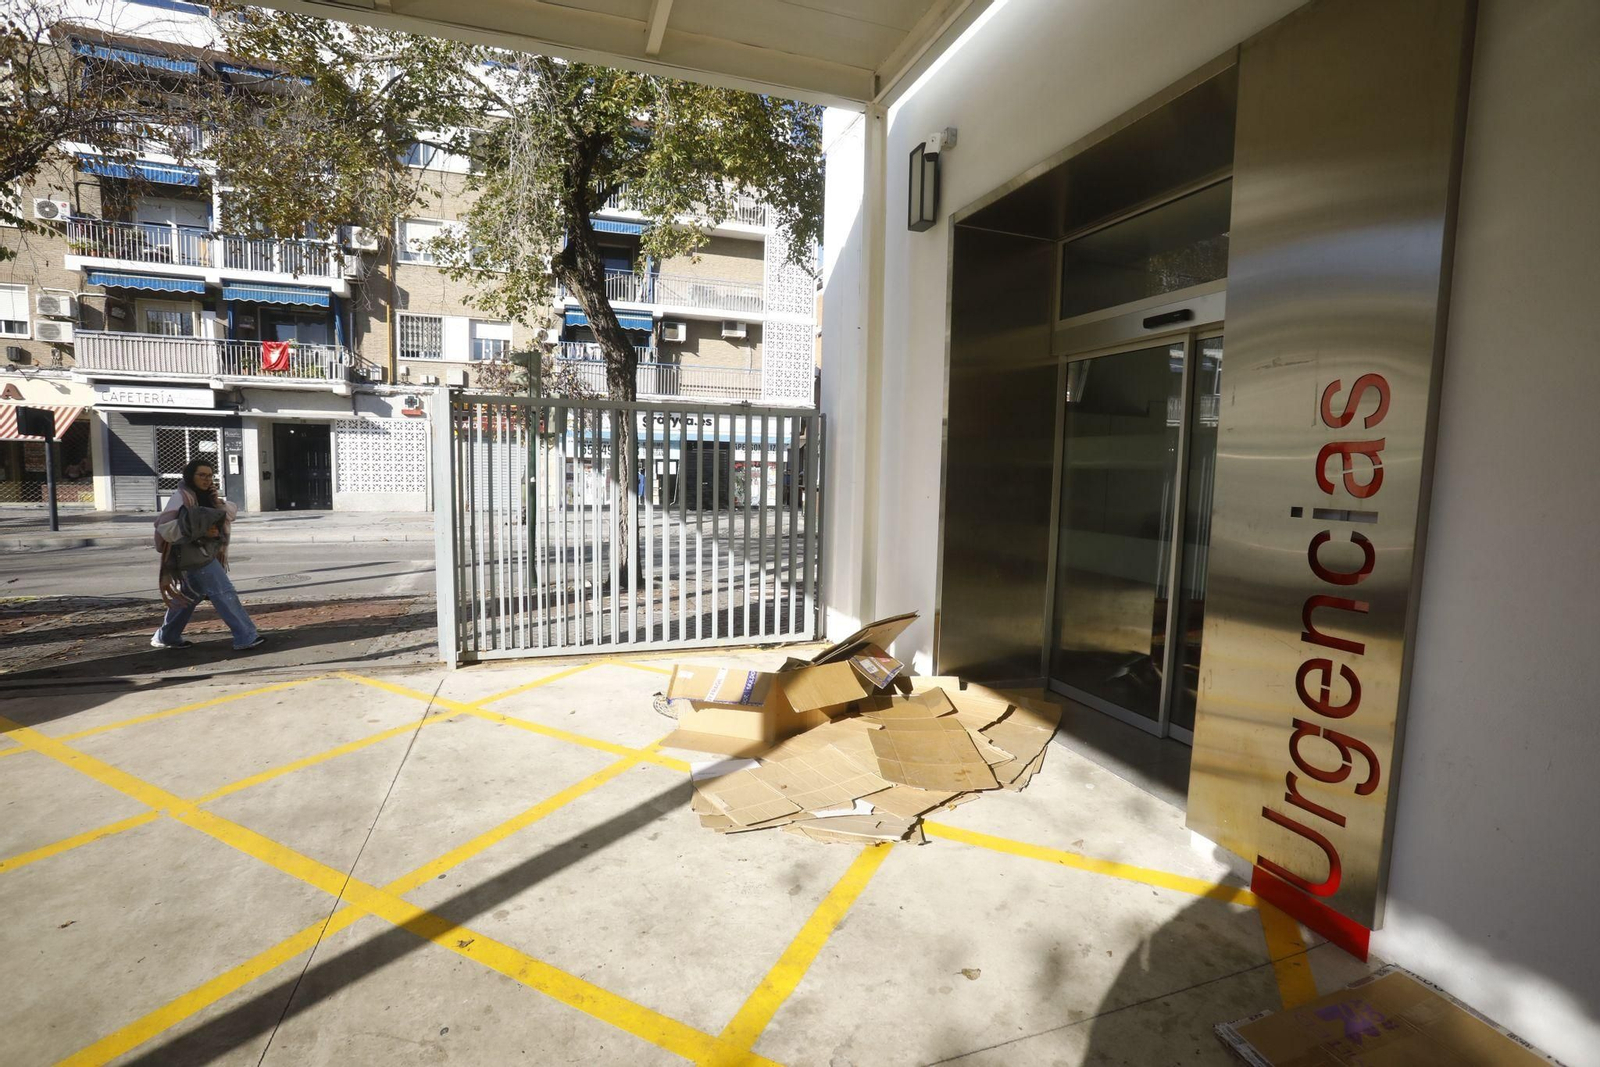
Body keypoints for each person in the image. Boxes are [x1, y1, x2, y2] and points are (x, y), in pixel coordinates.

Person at [151, 458, 265, 651]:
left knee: (189, 596)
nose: (206, 479)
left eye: (210, 475)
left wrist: (216, 501)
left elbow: (228, 515)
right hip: (193, 556)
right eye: (201, 475)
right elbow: (165, 528)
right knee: (224, 592)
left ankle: (166, 636)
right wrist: (202, 531)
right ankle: (246, 636)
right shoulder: (181, 497)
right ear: (190, 476)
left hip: (204, 553)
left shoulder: (206, 496)